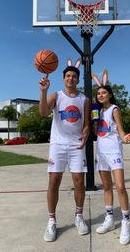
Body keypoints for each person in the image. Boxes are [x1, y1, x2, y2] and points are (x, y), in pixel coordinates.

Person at [39, 59, 91, 242]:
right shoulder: (56, 95)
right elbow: (44, 112)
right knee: (54, 181)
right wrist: (43, 91)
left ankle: (79, 216)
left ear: (77, 80)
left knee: (79, 182)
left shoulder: (84, 99)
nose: (71, 78)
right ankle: (52, 220)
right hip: (58, 145)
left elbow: (86, 124)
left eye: (74, 76)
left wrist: (85, 134)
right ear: (63, 79)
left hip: (76, 145)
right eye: (68, 76)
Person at [92, 70, 130, 245]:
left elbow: (120, 129)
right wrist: (93, 120)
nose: (101, 95)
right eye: (98, 93)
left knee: (121, 187)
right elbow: (96, 133)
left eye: (104, 92)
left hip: (114, 151)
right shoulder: (98, 111)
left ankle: (125, 221)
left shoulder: (114, 109)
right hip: (101, 152)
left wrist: (124, 137)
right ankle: (109, 219)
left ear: (109, 95)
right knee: (107, 186)